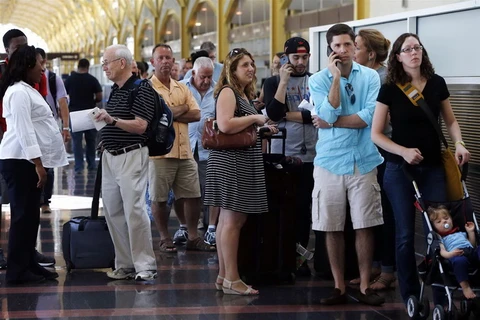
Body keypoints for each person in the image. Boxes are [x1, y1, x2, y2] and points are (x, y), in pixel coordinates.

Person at [371, 32, 470, 305]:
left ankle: (441, 293)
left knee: (442, 229)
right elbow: (376, 134)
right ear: (398, 57)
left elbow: (450, 121)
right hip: (399, 171)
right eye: (407, 49)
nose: (414, 52)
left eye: (417, 47)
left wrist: (459, 143)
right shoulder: (390, 87)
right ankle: (411, 293)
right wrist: (402, 151)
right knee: (405, 234)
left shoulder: (437, 83)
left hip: (434, 168)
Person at [309, 23, 385, 306]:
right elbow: (327, 110)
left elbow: (369, 116)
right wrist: (335, 78)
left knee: (365, 224)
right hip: (329, 161)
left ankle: (365, 285)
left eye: (347, 45)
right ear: (330, 50)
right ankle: (339, 286)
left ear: (355, 45)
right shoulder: (318, 79)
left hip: (363, 160)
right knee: (331, 226)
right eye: (337, 46)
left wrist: (333, 122)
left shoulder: (371, 76)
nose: (342, 50)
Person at [204, 48, 276, 295]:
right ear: (232, 70)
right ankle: (233, 279)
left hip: (238, 161)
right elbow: (225, 124)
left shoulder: (243, 94)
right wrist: (256, 119)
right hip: (231, 163)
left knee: (228, 220)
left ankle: (224, 276)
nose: (251, 69)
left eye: (252, 64)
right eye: (244, 65)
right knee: (232, 221)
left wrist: (261, 128)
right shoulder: (228, 91)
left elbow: (238, 126)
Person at [0, 45, 68, 283]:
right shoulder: (18, 92)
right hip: (20, 161)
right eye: (40, 63)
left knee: (30, 217)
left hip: (26, 161)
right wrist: (38, 163)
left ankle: (28, 262)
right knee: (21, 217)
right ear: (28, 64)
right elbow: (24, 130)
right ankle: (17, 272)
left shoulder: (27, 90)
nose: (43, 67)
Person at [93, 44, 157, 281]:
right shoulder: (115, 89)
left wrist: (111, 120)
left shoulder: (142, 89)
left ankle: (145, 266)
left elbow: (141, 125)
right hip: (110, 157)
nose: (104, 67)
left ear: (122, 63)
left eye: (107, 62)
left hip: (131, 155)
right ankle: (126, 264)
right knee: (113, 211)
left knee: (135, 211)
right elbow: (114, 122)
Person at [148, 44, 214, 253]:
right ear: (153, 62)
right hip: (160, 153)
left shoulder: (181, 87)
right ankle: (164, 237)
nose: (166, 61)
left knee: (193, 195)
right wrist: (179, 109)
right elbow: (152, 117)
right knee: (159, 198)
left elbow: (196, 114)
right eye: (161, 58)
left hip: (185, 151)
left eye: (169, 57)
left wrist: (168, 113)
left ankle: (193, 236)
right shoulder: (147, 88)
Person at [264, 37, 316, 276]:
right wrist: (284, 81)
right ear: (286, 58)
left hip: (311, 155)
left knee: (304, 208)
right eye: (296, 58)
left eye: (305, 57)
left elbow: (316, 116)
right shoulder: (273, 82)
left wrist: (290, 113)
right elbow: (274, 114)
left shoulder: (315, 80)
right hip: (283, 154)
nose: (301, 62)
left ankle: (300, 256)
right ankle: (280, 255)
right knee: (283, 208)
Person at [348, 29, 396, 290]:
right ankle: (376, 265)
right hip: (370, 151)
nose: (353, 52)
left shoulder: (383, 79)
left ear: (371, 53)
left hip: (385, 150)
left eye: (356, 46)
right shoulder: (367, 76)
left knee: (386, 212)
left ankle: (388, 270)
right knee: (373, 212)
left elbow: (380, 120)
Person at [181, 57, 220, 246]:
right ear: (193, 73)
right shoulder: (181, 87)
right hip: (185, 146)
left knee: (212, 188)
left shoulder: (219, 90)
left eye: (209, 76)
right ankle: (188, 229)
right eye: (203, 76)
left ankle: (211, 228)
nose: (206, 81)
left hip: (209, 148)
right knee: (187, 192)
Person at [35, 48, 71, 214]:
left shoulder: (52, 78)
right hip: (32, 127)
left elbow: (62, 103)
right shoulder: (25, 79)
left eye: (42, 62)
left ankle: (45, 200)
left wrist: (65, 127)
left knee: (48, 164)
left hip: (50, 127)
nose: (40, 66)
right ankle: (35, 198)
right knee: (32, 164)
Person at [428, 206, 478, 299]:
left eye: (446, 218)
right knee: (459, 262)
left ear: (451, 219)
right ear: (434, 227)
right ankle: (465, 287)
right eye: (439, 222)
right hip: (457, 255)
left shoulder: (459, 232)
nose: (444, 221)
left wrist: (470, 232)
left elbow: (471, 244)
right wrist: (451, 254)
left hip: (470, 251)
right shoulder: (440, 238)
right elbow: (442, 252)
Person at [64, 58, 103, 174]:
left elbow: (63, 96)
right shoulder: (92, 79)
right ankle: (91, 165)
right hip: (90, 113)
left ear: (78, 66)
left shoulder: (70, 79)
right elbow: (99, 96)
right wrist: (93, 101)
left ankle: (79, 167)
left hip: (74, 114)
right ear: (88, 67)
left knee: (76, 142)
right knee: (91, 140)